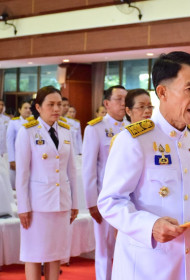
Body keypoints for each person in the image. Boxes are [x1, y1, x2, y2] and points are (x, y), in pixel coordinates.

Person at [98, 51, 190, 280]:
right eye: (189, 89)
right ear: (162, 92)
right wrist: (150, 225)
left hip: (189, 261)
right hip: (146, 264)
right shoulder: (134, 139)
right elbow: (110, 201)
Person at [15, 85, 78, 280]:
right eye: (50, 104)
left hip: (61, 203)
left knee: (55, 254)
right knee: (34, 254)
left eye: (59, 104)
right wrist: (23, 207)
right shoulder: (28, 132)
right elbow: (22, 174)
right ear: (38, 107)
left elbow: (72, 171)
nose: (57, 109)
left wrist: (75, 203)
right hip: (37, 206)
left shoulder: (67, 131)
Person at [82, 85, 128, 280]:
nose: (123, 103)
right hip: (105, 198)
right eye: (118, 99)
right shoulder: (96, 128)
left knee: (125, 249)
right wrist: (92, 202)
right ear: (107, 103)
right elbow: (89, 169)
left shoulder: (134, 126)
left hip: (129, 199)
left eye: (126, 99)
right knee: (104, 250)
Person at [6, 101, 33, 189]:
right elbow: (10, 141)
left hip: (32, 157)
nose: (28, 110)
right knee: (17, 184)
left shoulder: (35, 123)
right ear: (19, 110)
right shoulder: (14, 122)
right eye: (25, 108)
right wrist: (12, 159)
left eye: (29, 108)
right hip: (18, 157)